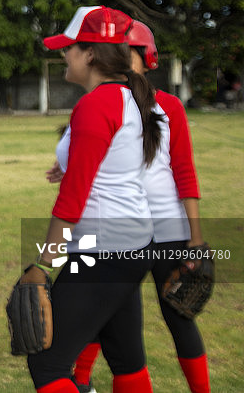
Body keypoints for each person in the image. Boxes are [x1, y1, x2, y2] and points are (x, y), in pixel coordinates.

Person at [23, 6, 163, 393]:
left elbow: (73, 199)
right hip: (131, 245)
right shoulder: (128, 97)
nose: (63, 55)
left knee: (47, 364)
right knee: (126, 359)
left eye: (69, 48)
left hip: (107, 251)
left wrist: (43, 265)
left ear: (90, 53)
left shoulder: (99, 103)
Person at [69, 21, 210, 393]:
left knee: (179, 316)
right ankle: (81, 382)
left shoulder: (168, 106)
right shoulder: (104, 101)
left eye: (128, 53)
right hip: (124, 231)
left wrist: (195, 238)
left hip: (166, 230)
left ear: (146, 59)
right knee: (109, 315)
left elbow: (184, 170)